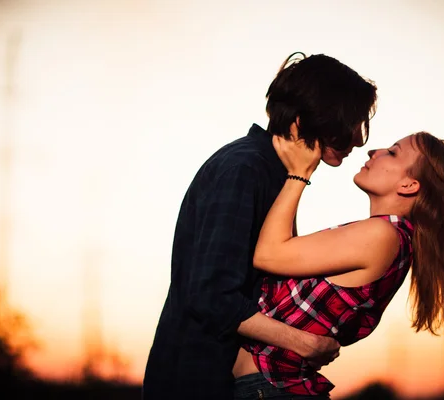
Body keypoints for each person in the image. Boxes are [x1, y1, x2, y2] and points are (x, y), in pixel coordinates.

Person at [141, 52, 378, 399]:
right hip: (199, 381)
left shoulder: (272, 173)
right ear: (305, 119)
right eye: (349, 123)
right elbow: (211, 297)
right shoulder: (244, 169)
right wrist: (303, 342)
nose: (358, 139)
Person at [232, 128, 444, 398]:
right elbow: (285, 255)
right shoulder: (392, 239)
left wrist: (299, 174)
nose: (373, 151)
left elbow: (268, 255)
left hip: (271, 390)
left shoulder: (381, 236)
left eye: (392, 153)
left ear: (409, 185)